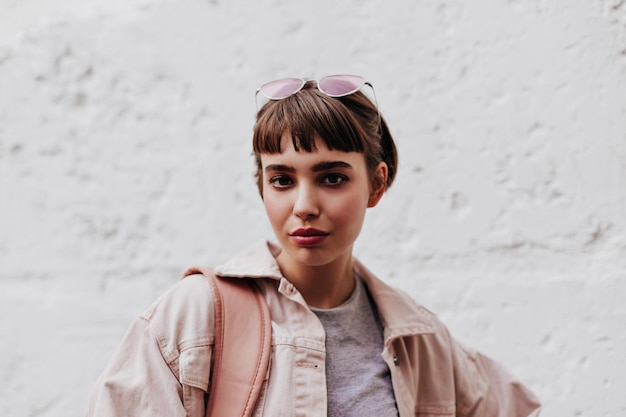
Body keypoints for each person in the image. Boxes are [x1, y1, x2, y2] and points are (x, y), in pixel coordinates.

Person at [86, 75, 542, 416]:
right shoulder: (193, 318)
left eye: (332, 178)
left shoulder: (419, 339)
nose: (304, 205)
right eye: (282, 179)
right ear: (261, 186)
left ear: (376, 185)